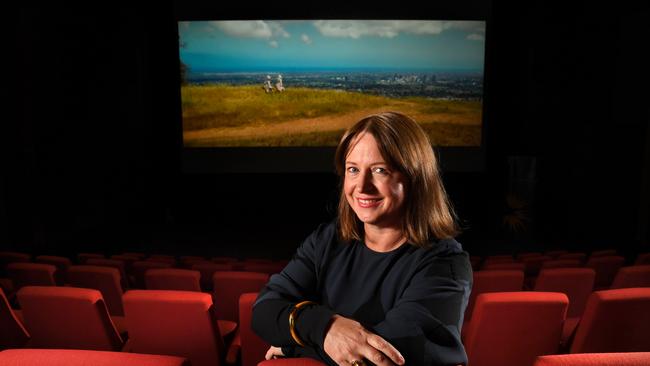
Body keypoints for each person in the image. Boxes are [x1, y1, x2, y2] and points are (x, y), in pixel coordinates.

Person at [252, 111, 472, 366]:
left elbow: (382, 357)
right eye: (353, 169)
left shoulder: (446, 264)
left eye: (380, 170)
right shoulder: (327, 240)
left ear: (415, 179)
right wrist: (327, 327)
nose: (362, 186)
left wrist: (292, 346)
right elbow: (264, 310)